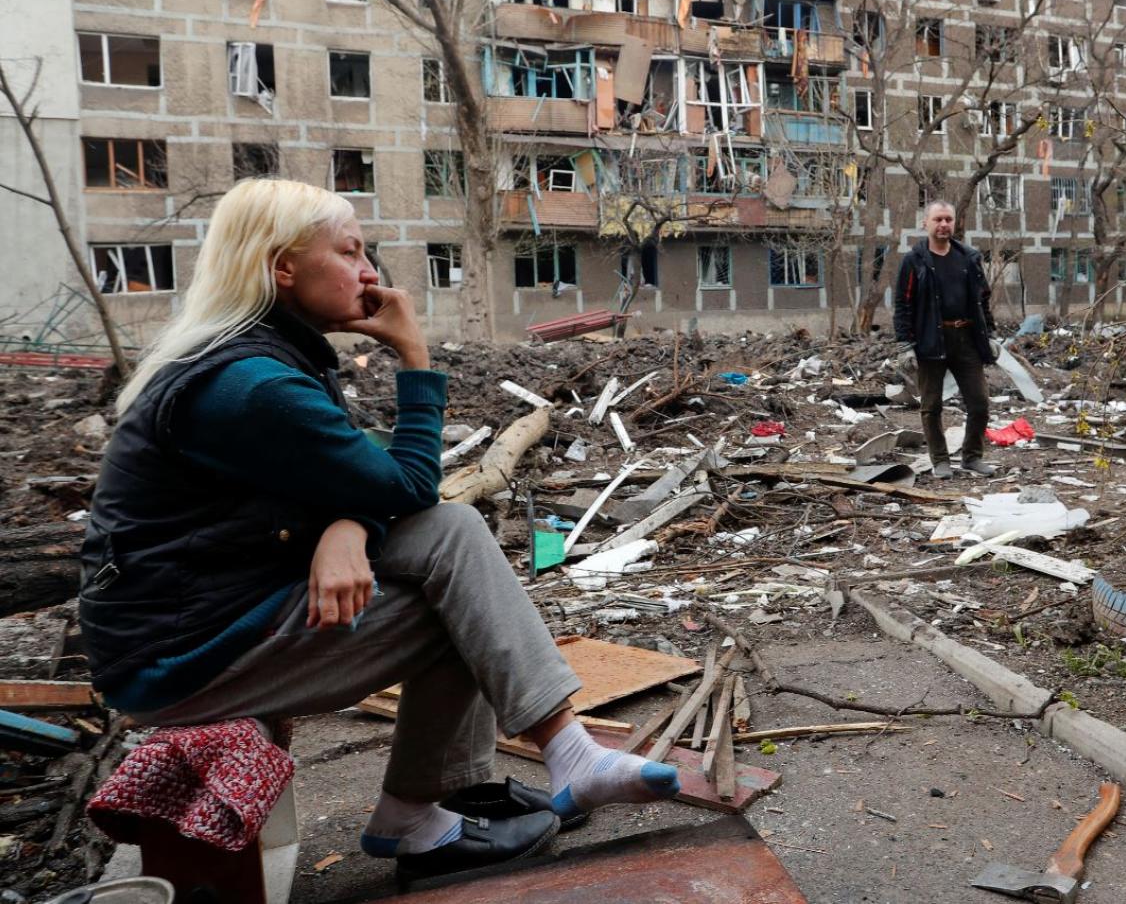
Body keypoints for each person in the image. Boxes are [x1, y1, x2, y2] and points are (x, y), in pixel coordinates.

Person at [77, 179, 679, 881]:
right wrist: (416, 359)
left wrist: (348, 526)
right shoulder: (253, 386)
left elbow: (356, 481)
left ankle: (472, 789)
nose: (370, 272)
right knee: (455, 583)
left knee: (449, 539)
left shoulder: (259, 356)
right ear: (282, 267)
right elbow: (405, 485)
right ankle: (443, 810)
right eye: (350, 252)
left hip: (214, 613)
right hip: (180, 660)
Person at [893, 200, 999, 478]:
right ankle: (940, 460)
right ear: (925, 223)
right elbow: (902, 305)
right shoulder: (914, 261)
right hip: (930, 340)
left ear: (954, 223)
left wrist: (989, 335)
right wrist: (906, 345)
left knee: (979, 403)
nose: (943, 225)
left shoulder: (969, 258)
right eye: (938, 219)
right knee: (931, 405)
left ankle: (972, 456)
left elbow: (982, 299)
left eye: (948, 220)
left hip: (966, 339)